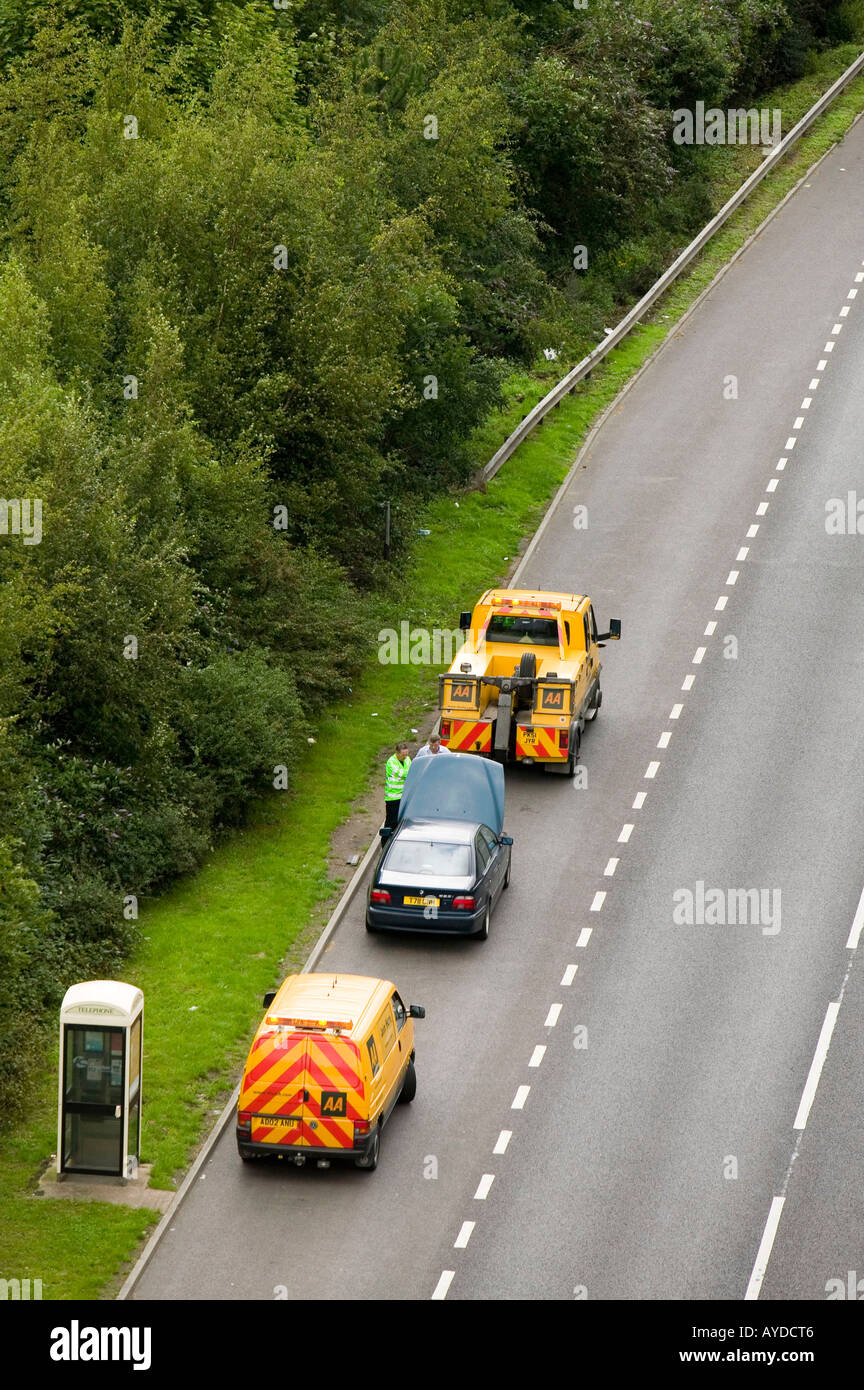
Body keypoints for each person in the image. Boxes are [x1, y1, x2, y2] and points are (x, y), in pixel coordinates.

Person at [384, 742, 411, 828]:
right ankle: (385, 840)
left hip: (403, 796)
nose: (405, 756)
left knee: (400, 821)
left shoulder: (407, 759)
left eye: (406, 754)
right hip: (393, 797)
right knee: (391, 820)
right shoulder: (391, 762)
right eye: (403, 754)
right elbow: (403, 773)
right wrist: (410, 773)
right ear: (397, 753)